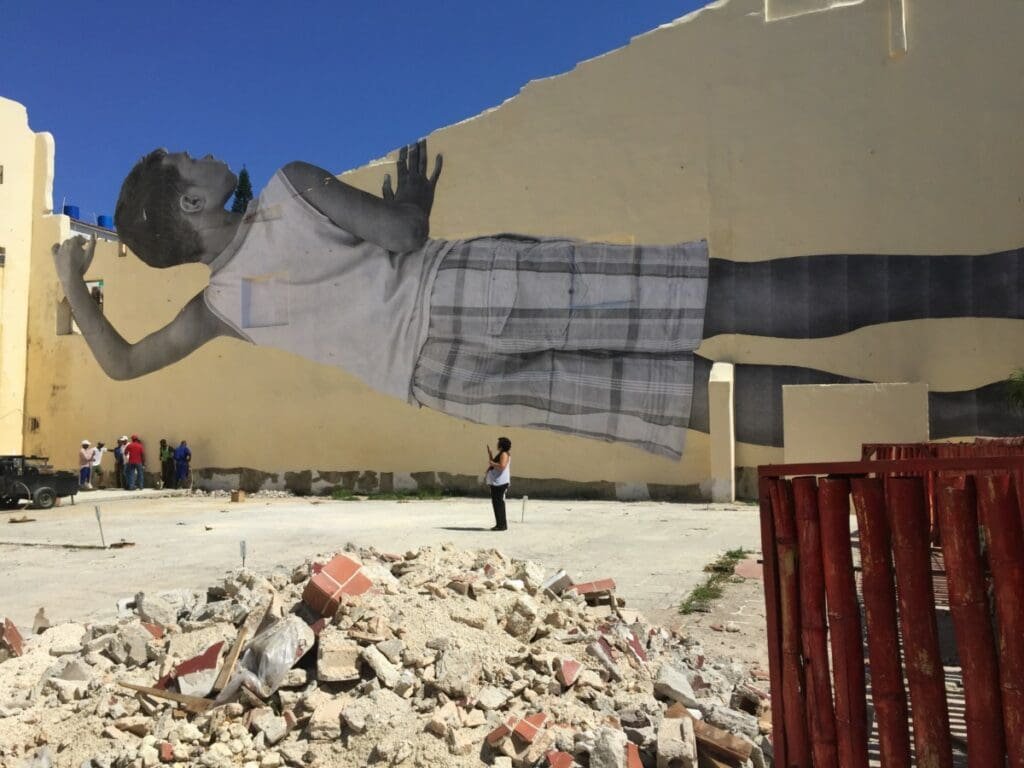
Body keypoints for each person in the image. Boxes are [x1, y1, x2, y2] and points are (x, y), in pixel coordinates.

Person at [53, 141, 707, 458]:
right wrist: (414, 201)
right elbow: (403, 235)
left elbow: (125, 364)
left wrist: (74, 284)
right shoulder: (289, 188)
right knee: (702, 297)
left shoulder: (216, 310)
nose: (205, 153)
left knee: (673, 398)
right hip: (451, 293)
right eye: (191, 160)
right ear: (193, 203)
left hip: (431, 378)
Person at [485, 437, 512, 532]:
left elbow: (502, 466)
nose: (497, 444)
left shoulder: (504, 454)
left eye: (498, 443)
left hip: (500, 483)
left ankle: (502, 525)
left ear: (501, 445)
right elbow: (494, 464)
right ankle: (499, 524)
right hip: (496, 483)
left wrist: (492, 463)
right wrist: (490, 454)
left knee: (499, 503)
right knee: (496, 503)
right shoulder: (501, 454)